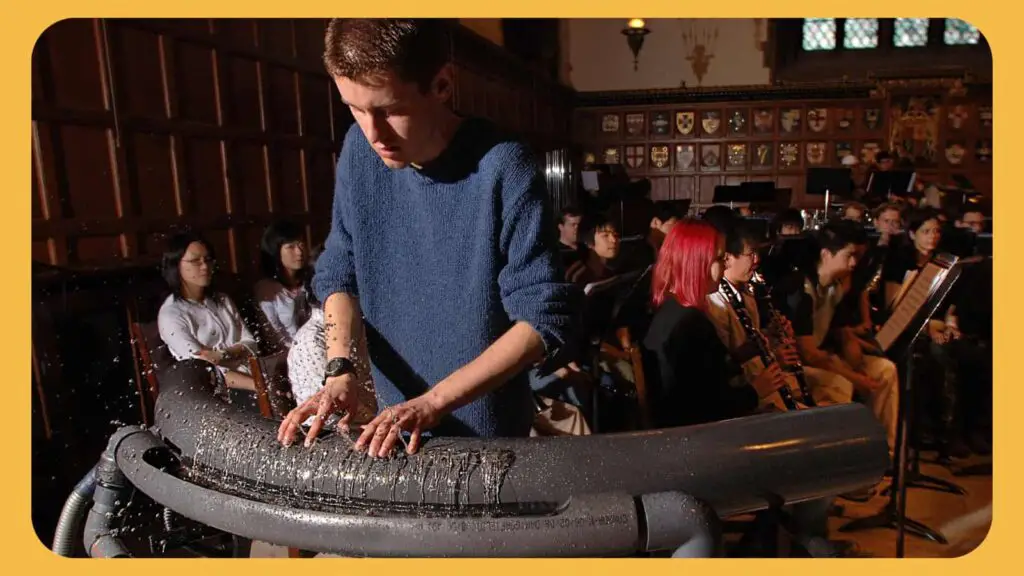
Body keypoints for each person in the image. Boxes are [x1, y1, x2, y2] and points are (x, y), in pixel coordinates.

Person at [277, 19, 575, 457]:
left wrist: (433, 402)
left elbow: (541, 321)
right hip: (394, 435)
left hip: (487, 442)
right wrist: (340, 370)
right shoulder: (361, 152)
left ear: (441, 84)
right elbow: (340, 269)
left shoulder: (503, 165)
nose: (373, 133)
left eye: (390, 109)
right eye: (355, 109)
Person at [642, 220, 785, 427]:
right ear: (697, 263)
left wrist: (738, 356)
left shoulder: (672, 308)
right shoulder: (691, 323)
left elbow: (700, 378)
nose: (726, 264)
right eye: (719, 258)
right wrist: (757, 390)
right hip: (697, 438)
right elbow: (707, 409)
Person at [773, 221, 900, 454]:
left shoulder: (836, 285)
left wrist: (856, 362)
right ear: (826, 254)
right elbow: (808, 353)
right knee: (839, 382)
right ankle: (844, 458)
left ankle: (881, 451)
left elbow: (842, 331)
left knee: (885, 370)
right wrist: (855, 376)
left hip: (826, 356)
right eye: (849, 256)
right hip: (798, 365)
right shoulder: (800, 289)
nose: (854, 264)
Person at [157, 232, 258, 392]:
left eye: (208, 260)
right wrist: (260, 386)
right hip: (218, 393)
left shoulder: (223, 299)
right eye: (195, 261)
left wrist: (222, 354)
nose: (205, 266)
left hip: (253, 377)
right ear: (176, 265)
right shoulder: (171, 314)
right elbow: (206, 371)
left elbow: (252, 344)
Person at [253, 220, 311, 351]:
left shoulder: (310, 281)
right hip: (289, 357)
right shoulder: (267, 290)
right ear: (276, 251)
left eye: (301, 244)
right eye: (291, 247)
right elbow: (273, 337)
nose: (299, 252)